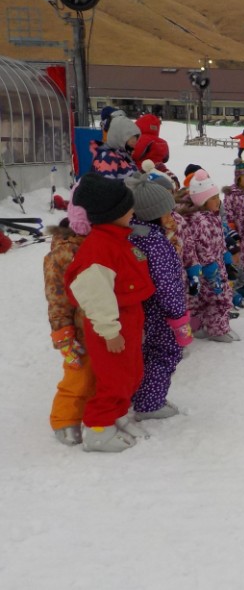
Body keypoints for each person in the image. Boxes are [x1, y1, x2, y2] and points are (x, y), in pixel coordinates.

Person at [64, 174, 155, 452]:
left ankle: (118, 415)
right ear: (112, 213)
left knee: (131, 373)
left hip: (127, 320)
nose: (133, 211)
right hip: (111, 326)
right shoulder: (98, 250)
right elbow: (96, 297)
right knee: (114, 379)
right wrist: (110, 332)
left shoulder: (118, 240)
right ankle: (98, 428)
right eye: (128, 208)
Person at [124, 168, 193, 421]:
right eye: (167, 211)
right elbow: (166, 283)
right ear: (154, 214)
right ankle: (150, 404)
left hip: (141, 307)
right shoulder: (155, 242)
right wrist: (178, 314)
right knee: (165, 353)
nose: (170, 216)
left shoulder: (132, 235)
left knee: (145, 353)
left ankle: (139, 394)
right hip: (161, 310)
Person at [42, 190, 94, 445]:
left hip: (99, 325)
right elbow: (57, 297)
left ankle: (92, 412)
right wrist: (62, 332)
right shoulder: (63, 253)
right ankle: (64, 420)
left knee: (98, 373)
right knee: (77, 375)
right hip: (76, 328)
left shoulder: (99, 244)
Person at [179, 170, 240, 343]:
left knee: (203, 299)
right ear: (202, 201)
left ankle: (200, 326)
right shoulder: (200, 220)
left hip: (211, 265)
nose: (218, 201)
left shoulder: (211, 216)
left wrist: (225, 254)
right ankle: (217, 330)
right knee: (218, 298)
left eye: (217, 197)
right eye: (213, 198)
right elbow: (202, 246)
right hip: (208, 269)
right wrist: (211, 268)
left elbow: (217, 239)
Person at [90, 114, 141, 179]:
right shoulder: (109, 157)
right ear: (119, 136)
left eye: (136, 137)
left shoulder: (124, 155)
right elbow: (105, 182)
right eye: (131, 136)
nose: (135, 140)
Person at [222, 158, 244, 237]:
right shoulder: (231, 194)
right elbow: (228, 214)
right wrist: (232, 230)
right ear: (239, 179)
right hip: (239, 232)